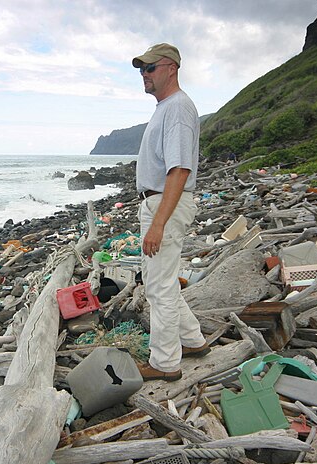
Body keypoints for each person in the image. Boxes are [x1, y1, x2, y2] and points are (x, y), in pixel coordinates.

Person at [132, 43, 210, 381]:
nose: (144, 75)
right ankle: (192, 340)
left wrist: (158, 224)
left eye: (150, 68)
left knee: (159, 287)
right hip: (159, 201)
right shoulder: (167, 107)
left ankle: (165, 363)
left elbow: (179, 170)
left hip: (165, 203)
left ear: (170, 68)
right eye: (141, 70)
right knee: (159, 281)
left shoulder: (177, 108)